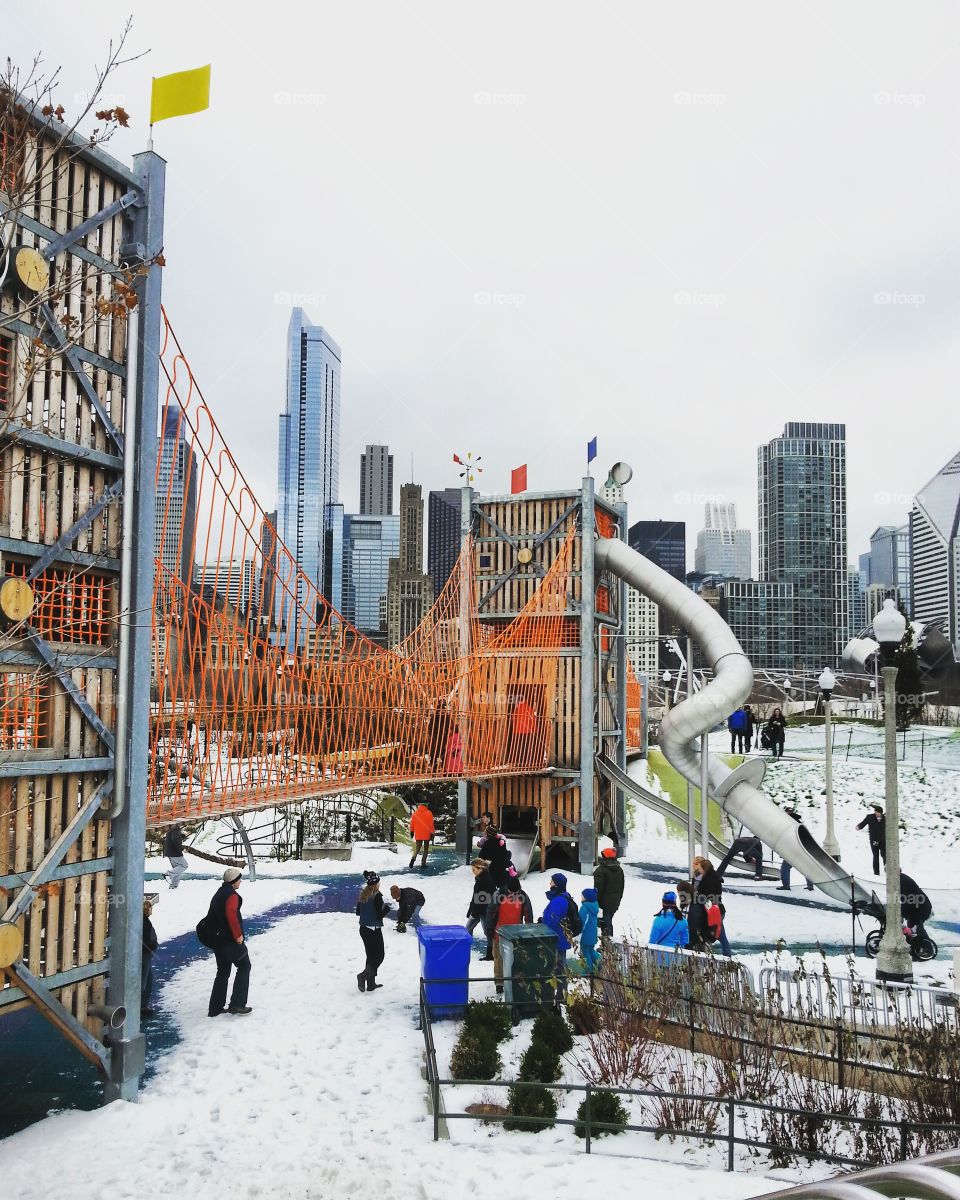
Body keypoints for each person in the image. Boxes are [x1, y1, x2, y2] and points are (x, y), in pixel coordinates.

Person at [205, 866, 252, 1016]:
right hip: (230, 940)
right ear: (234, 881)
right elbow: (231, 914)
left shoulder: (218, 893)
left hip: (218, 940)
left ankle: (215, 1008)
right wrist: (238, 935)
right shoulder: (231, 896)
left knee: (223, 972)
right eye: (239, 879)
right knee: (244, 966)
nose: (240, 882)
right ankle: (237, 1004)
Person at [540, 873, 578, 1010]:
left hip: (556, 939)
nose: (549, 883)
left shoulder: (558, 901)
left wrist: (542, 922)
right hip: (561, 938)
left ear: (556, 884)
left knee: (558, 968)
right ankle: (561, 994)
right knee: (560, 967)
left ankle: (560, 996)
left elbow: (552, 920)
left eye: (551, 881)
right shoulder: (564, 897)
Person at [491, 875, 534, 993]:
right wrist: (490, 931)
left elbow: (528, 915)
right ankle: (499, 983)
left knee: (515, 958)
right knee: (499, 958)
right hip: (499, 933)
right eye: (511, 892)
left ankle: (514, 980)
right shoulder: (499, 895)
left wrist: (528, 930)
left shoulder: (522, 896)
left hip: (516, 933)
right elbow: (491, 915)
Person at [356, 870, 391, 992]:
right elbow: (379, 915)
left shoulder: (363, 894)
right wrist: (386, 909)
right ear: (376, 884)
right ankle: (363, 976)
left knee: (370, 957)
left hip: (363, 930)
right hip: (374, 931)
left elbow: (358, 912)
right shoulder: (377, 896)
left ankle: (370, 984)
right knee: (379, 956)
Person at [689, 855, 730, 955]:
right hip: (714, 910)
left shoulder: (708, 879)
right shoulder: (711, 877)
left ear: (704, 868)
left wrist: (697, 897)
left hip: (713, 911)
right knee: (719, 934)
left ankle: (727, 956)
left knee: (720, 934)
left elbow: (708, 896)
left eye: (701, 868)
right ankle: (727, 955)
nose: (700, 870)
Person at [778, 805, 814, 891]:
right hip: (802, 849)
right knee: (805, 867)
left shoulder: (787, 823)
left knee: (785, 868)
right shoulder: (799, 822)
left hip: (792, 849)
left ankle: (786, 886)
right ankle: (810, 886)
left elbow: (786, 838)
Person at [466, 858, 496, 958]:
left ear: (480, 869)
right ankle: (466, 948)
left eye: (474, 870)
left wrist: (474, 912)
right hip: (479, 910)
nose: (473, 872)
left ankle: (490, 954)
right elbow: (475, 897)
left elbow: (482, 900)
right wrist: (471, 910)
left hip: (485, 911)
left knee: (487, 932)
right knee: (468, 928)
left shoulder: (485, 880)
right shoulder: (481, 879)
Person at [593, 847, 625, 936]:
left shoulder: (601, 870)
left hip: (603, 903)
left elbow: (598, 889)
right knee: (607, 922)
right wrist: (618, 899)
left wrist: (594, 901)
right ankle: (606, 945)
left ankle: (608, 945)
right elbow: (622, 887)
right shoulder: (619, 869)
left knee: (606, 925)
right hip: (614, 902)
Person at [476, 823, 513, 889]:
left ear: (487, 835)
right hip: (502, 875)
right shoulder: (501, 843)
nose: (483, 834)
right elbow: (506, 856)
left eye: (484, 833)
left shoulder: (487, 845)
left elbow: (480, 860)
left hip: (492, 876)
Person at [857, 804, 886, 876]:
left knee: (884, 855)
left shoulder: (885, 819)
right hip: (874, 840)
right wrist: (859, 826)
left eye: (878, 812)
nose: (876, 813)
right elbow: (864, 822)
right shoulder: (870, 817)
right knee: (875, 856)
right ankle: (876, 873)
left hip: (883, 840)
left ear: (881, 813)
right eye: (875, 812)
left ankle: (887, 871)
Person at [141, 897, 158, 1019]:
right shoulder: (145, 923)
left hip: (146, 954)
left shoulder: (144, 921)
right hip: (145, 955)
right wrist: (151, 946)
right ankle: (141, 1005)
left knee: (148, 979)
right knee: (144, 980)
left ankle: (143, 1004)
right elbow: (146, 940)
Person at [579, 887, 601, 972]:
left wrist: (578, 932)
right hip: (592, 934)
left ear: (586, 898)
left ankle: (589, 971)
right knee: (590, 950)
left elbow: (582, 922)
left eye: (582, 896)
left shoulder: (585, 908)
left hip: (585, 935)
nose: (581, 897)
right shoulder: (594, 906)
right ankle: (599, 960)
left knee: (585, 953)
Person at [409, 802, 435, 869]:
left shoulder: (415, 813)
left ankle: (413, 858)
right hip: (427, 833)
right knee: (426, 849)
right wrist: (432, 833)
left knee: (417, 848)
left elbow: (412, 824)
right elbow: (431, 825)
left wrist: (412, 831)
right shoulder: (429, 813)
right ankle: (423, 863)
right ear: (426, 806)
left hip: (418, 834)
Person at [163, 824, 188, 889]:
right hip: (175, 853)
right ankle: (169, 874)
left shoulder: (171, 829)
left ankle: (173, 886)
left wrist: (181, 836)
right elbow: (175, 839)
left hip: (170, 853)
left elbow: (174, 838)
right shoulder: (176, 829)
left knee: (177, 869)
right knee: (184, 865)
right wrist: (182, 848)